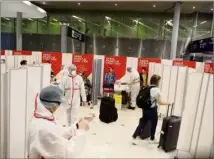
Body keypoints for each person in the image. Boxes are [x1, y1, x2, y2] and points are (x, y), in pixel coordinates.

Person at [28, 85, 91, 158]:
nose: (59, 106)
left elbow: (59, 132)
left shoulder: (44, 117)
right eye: (59, 104)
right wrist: (81, 131)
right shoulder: (44, 128)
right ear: (53, 104)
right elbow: (68, 153)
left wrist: (77, 126)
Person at [132, 74, 172, 144]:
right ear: (157, 82)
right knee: (154, 124)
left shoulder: (147, 87)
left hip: (144, 108)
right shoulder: (156, 90)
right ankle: (152, 138)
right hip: (152, 110)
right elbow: (160, 102)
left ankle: (135, 135)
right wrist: (169, 103)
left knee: (143, 122)